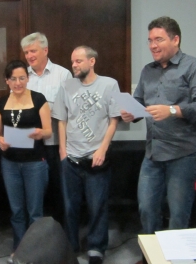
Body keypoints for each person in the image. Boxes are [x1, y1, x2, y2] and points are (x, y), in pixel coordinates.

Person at [120, 16, 196, 235]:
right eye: (150, 40)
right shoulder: (147, 71)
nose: (153, 45)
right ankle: (152, 255)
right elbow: (140, 103)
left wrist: (171, 110)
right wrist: (130, 113)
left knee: (178, 214)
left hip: (183, 154)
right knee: (146, 209)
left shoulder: (195, 67)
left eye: (159, 39)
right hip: (153, 153)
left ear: (176, 40)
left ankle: (174, 258)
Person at [52, 46, 120, 264]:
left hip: (95, 158)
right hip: (70, 158)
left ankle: (96, 248)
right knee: (70, 207)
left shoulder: (109, 84)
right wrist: (62, 150)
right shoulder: (67, 86)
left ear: (92, 62)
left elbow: (114, 119)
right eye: (72, 61)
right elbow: (61, 120)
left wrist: (103, 148)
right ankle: (71, 245)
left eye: (79, 61)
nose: (74, 65)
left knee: (97, 205)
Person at [0, 60, 52, 262]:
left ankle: (36, 252)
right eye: (13, 79)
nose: (18, 83)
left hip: (35, 162)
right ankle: (19, 249)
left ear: (27, 78)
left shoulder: (38, 99)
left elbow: (49, 131)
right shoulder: (0, 103)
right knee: (16, 211)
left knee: (35, 211)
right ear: (7, 81)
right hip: (9, 163)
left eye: (21, 78)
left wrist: (40, 133)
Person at [21, 32, 72, 223]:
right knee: (35, 198)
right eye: (26, 52)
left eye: (33, 50)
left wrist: (45, 109)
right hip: (30, 146)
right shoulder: (22, 77)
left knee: (60, 194)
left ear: (45, 50)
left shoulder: (63, 74)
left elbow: (70, 110)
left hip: (55, 144)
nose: (29, 55)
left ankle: (62, 237)